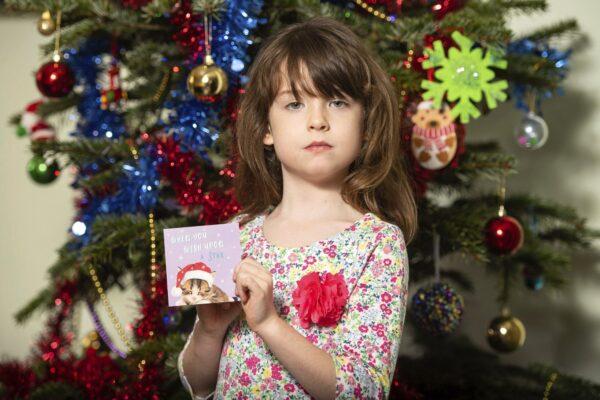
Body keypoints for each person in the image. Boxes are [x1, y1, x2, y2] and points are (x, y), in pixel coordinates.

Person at [178, 15, 417, 399]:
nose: (317, 121)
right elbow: (198, 384)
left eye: (338, 102)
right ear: (266, 129)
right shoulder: (236, 236)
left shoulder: (377, 244)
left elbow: (364, 390)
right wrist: (209, 328)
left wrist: (270, 323)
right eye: (294, 104)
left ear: (366, 125)